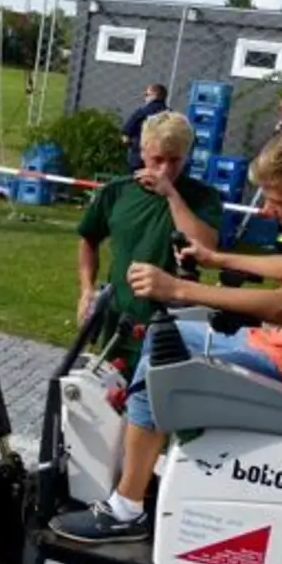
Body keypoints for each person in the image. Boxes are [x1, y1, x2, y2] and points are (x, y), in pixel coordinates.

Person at [52, 132, 282, 544]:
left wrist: (176, 289)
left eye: (276, 200)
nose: (266, 209)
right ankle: (151, 478)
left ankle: (127, 507)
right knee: (173, 335)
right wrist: (215, 258)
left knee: (163, 345)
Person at [75, 111, 223, 376]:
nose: (165, 169)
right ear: (142, 152)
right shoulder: (117, 192)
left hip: (174, 325)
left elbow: (205, 248)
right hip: (120, 319)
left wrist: (171, 196)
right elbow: (88, 239)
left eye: (175, 161)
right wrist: (87, 290)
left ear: (187, 156)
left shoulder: (201, 197)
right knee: (110, 401)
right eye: (157, 160)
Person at [119, 84, 169, 173]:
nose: (144, 98)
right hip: (161, 159)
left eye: (146, 95)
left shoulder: (142, 112)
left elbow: (126, 132)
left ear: (154, 95)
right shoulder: (170, 115)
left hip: (139, 157)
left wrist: (130, 144)